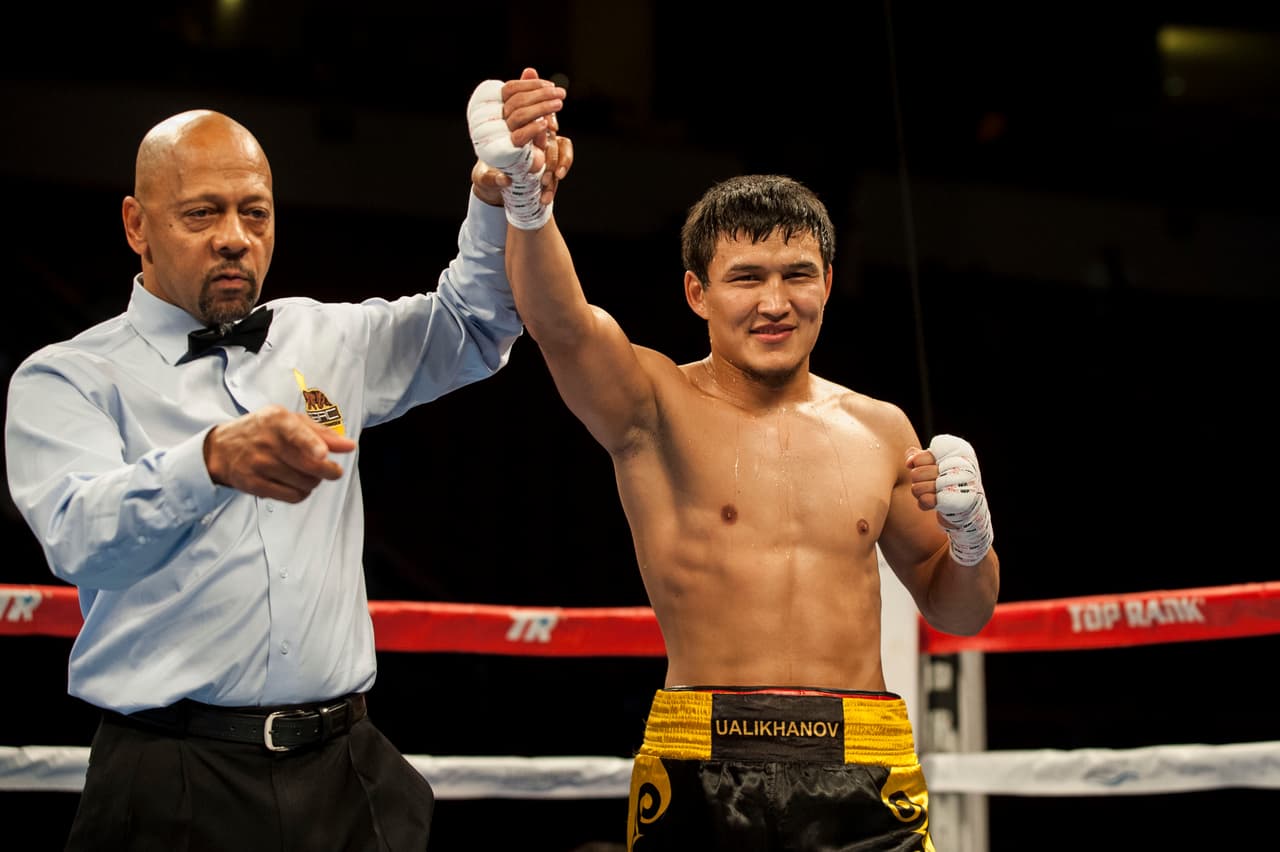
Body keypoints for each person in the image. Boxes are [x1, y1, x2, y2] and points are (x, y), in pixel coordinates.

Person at [4, 70, 572, 852]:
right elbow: (77, 537)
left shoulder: (323, 339)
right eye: (202, 213)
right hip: (173, 778)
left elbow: (472, 325)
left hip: (345, 769)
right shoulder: (67, 375)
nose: (234, 234)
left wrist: (495, 192)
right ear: (137, 225)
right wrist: (207, 461)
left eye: (254, 212)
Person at [470, 99, 998, 850]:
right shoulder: (654, 406)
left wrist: (971, 538)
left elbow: (960, 612)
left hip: (864, 761)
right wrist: (526, 199)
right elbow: (560, 322)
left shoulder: (881, 429)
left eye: (797, 276)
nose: (775, 303)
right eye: (746, 278)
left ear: (828, 282)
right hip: (703, 753)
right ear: (698, 293)